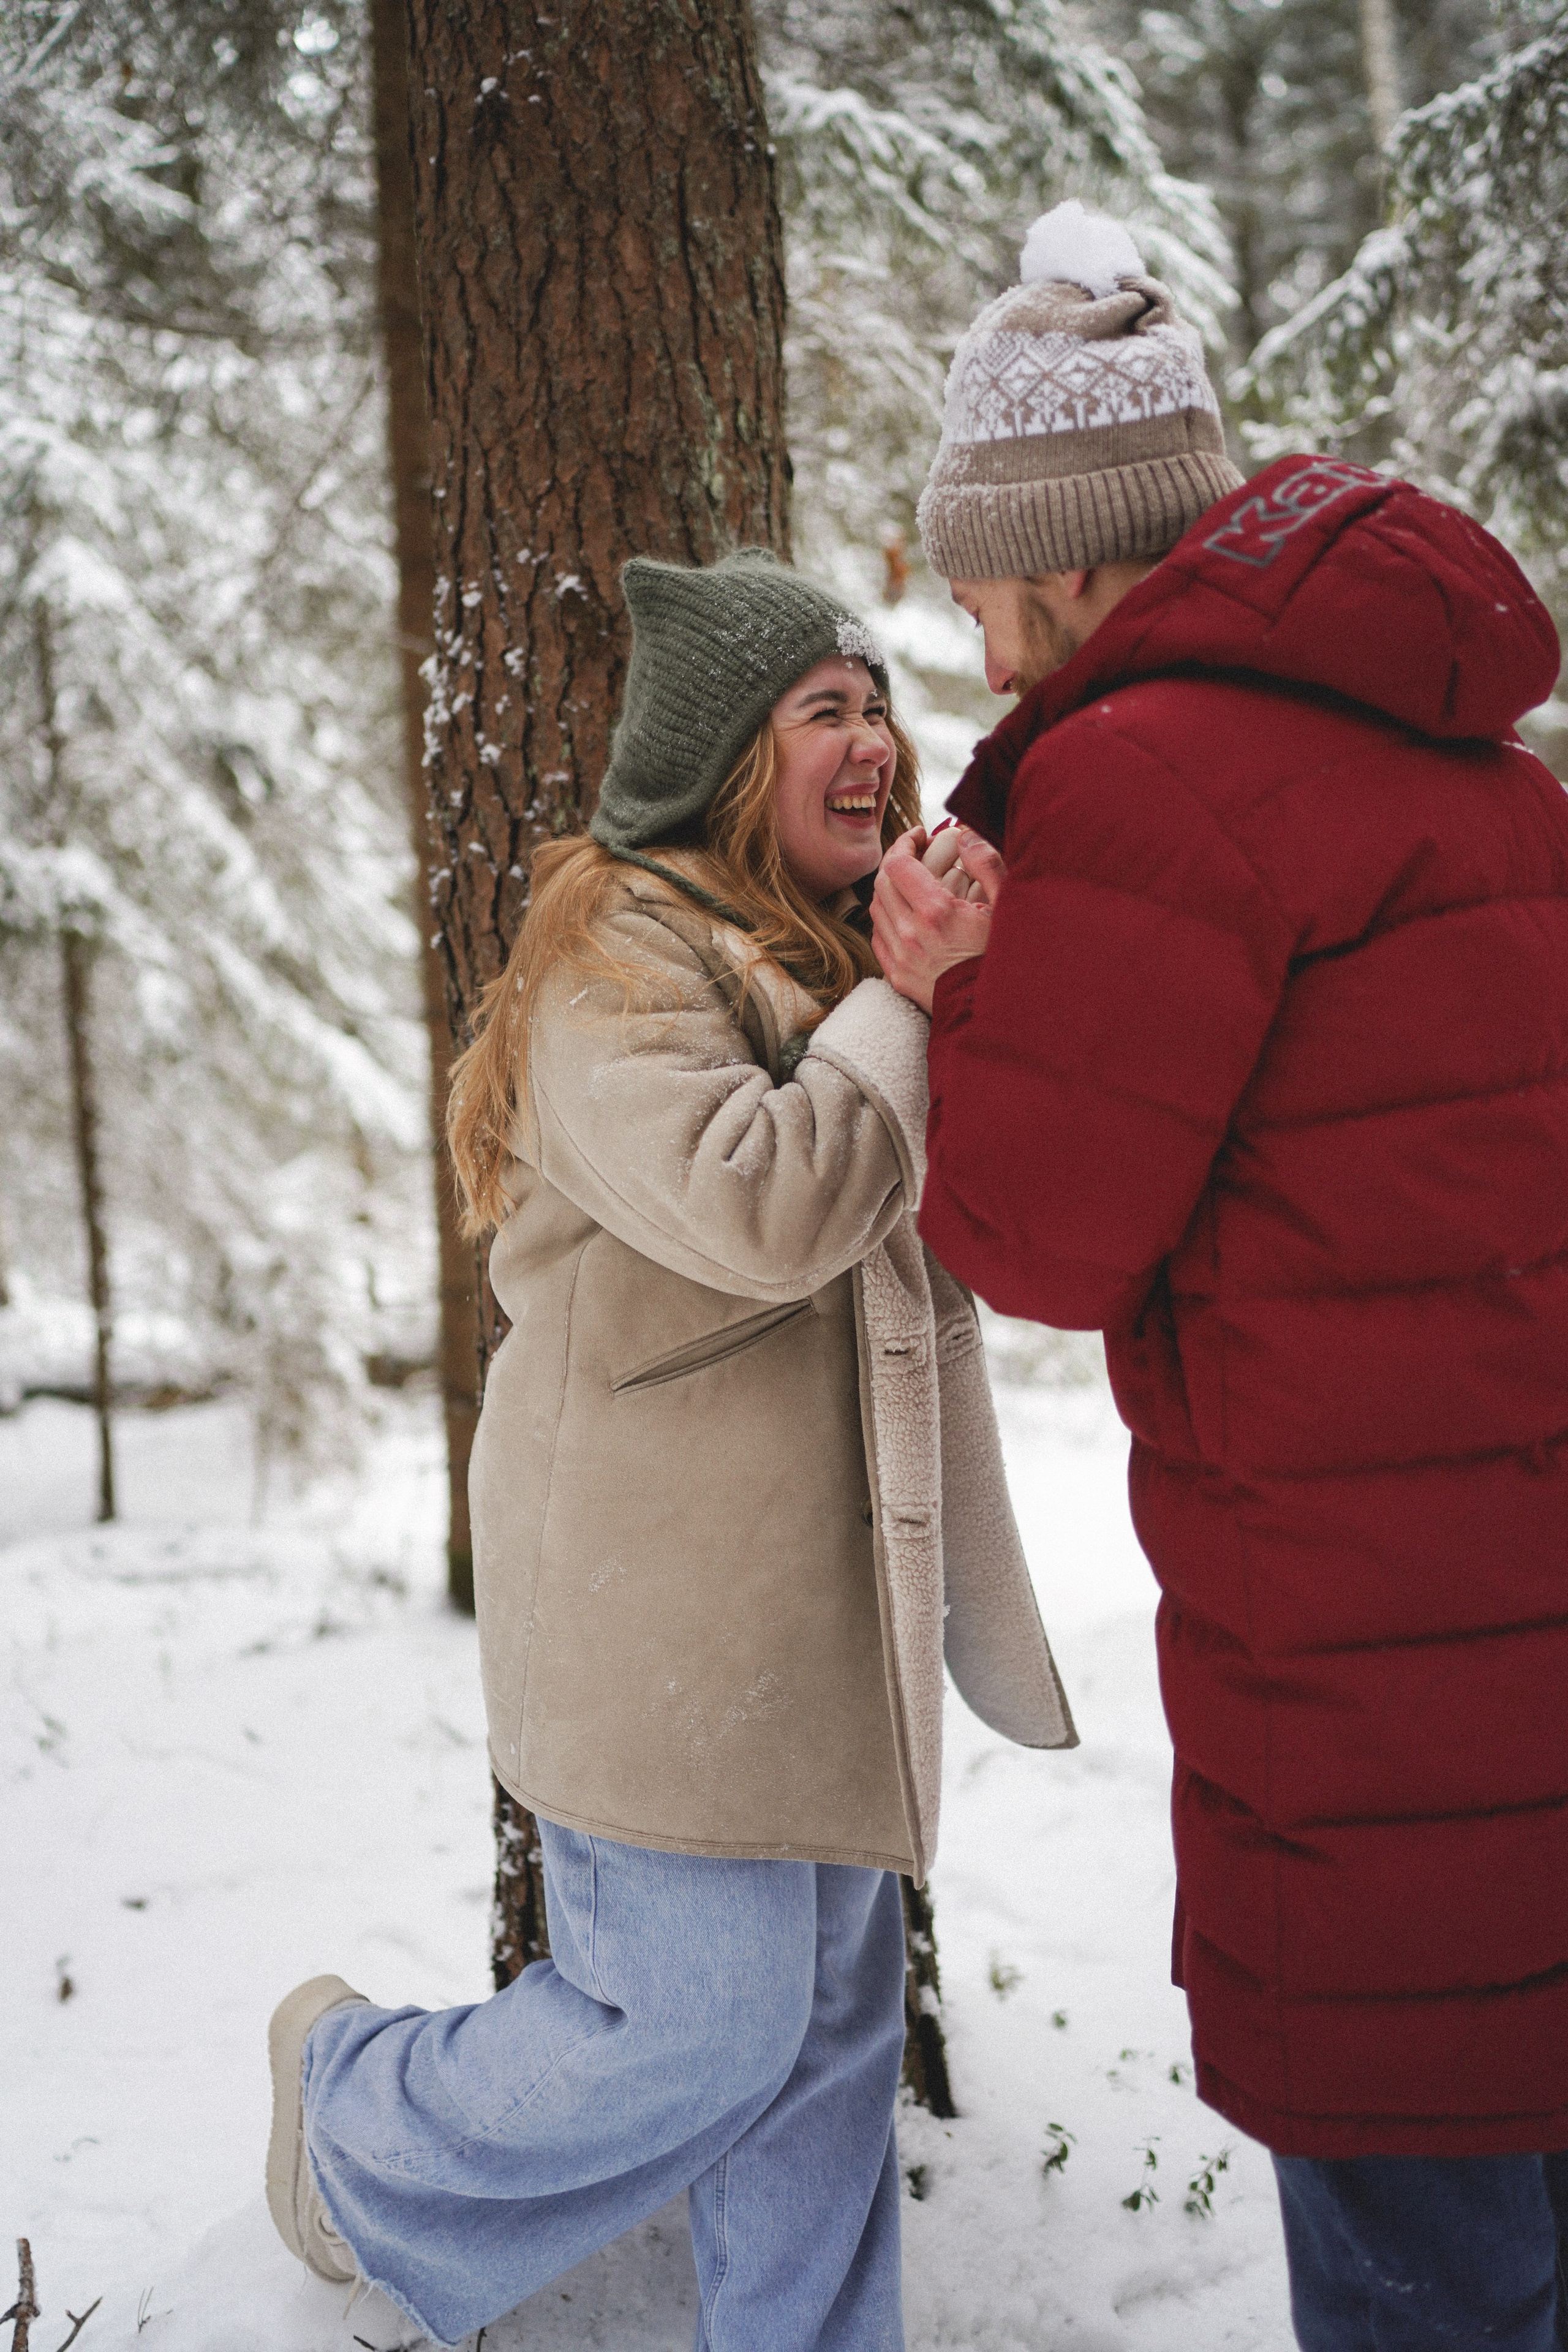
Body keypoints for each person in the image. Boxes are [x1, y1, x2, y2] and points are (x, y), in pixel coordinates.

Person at [872, 200, 1568, 2351]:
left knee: (1427, 2252)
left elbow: (1039, 1234)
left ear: (1064, 561)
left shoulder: (1146, 777)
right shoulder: (1482, 767)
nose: (979, 645)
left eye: (981, 591)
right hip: (1524, 1598)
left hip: (1363, 1654)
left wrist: (959, 984)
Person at [262, 548, 1076, 2352]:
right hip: (660, 1618)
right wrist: (913, 1001)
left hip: (824, 1613)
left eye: (878, 705)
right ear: (724, 752)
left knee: (833, 2049)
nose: (873, 743)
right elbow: (761, 1202)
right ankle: (350, 2111)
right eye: (823, 712)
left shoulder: (829, 944)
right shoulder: (612, 955)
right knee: (696, 2031)